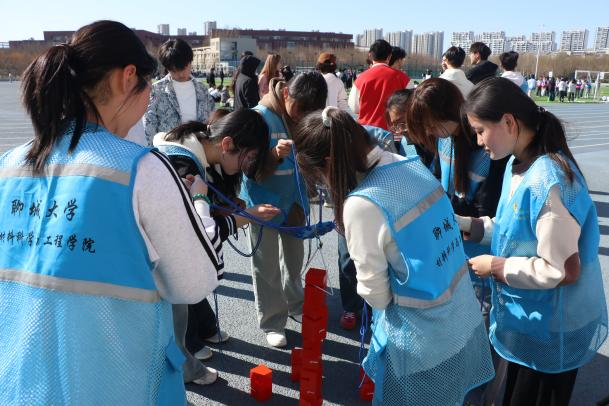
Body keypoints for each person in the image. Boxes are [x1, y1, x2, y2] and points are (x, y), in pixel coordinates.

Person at [0, 20, 221, 404]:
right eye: (147, 84)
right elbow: (195, 282)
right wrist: (199, 203)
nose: (149, 97)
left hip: (22, 386)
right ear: (127, 77)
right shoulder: (140, 169)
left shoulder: (9, 165)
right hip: (122, 387)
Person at [293, 107, 494, 405]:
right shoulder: (407, 163)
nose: (323, 182)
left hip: (420, 339)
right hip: (462, 317)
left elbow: (376, 296)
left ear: (328, 164)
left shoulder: (362, 204)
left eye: (319, 176)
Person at [461, 77, 608, 406]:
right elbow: (514, 227)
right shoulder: (519, 164)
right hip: (534, 317)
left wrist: (496, 266)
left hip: (554, 325)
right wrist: (472, 226)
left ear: (508, 122)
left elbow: (562, 270)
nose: (479, 141)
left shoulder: (548, 181)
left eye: (480, 130)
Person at [153, 109, 281, 376]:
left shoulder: (197, 150)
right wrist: (244, 218)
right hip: (166, 258)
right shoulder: (182, 165)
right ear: (227, 143)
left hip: (167, 252)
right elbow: (199, 235)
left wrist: (229, 206)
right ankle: (187, 366)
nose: (247, 165)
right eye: (249, 157)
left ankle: (200, 334)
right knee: (177, 312)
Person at [240, 72, 328, 347]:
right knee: (265, 265)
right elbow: (245, 166)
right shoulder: (258, 117)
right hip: (262, 203)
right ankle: (272, 321)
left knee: (293, 258)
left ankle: (294, 304)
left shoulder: (300, 116)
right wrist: (273, 155)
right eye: (300, 109)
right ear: (286, 93)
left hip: (294, 201)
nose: (301, 117)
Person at [144, 39, 215, 145]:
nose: (181, 74)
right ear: (167, 68)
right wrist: (153, 152)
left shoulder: (202, 89)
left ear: (190, 62)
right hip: (168, 150)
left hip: (200, 149)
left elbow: (212, 120)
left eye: (184, 68)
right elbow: (149, 126)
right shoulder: (156, 90)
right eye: (174, 70)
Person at [349, 39, 411, 130]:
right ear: (389, 56)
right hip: (393, 131)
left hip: (366, 131)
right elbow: (411, 107)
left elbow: (354, 108)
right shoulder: (403, 78)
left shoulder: (361, 78)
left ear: (370, 55)